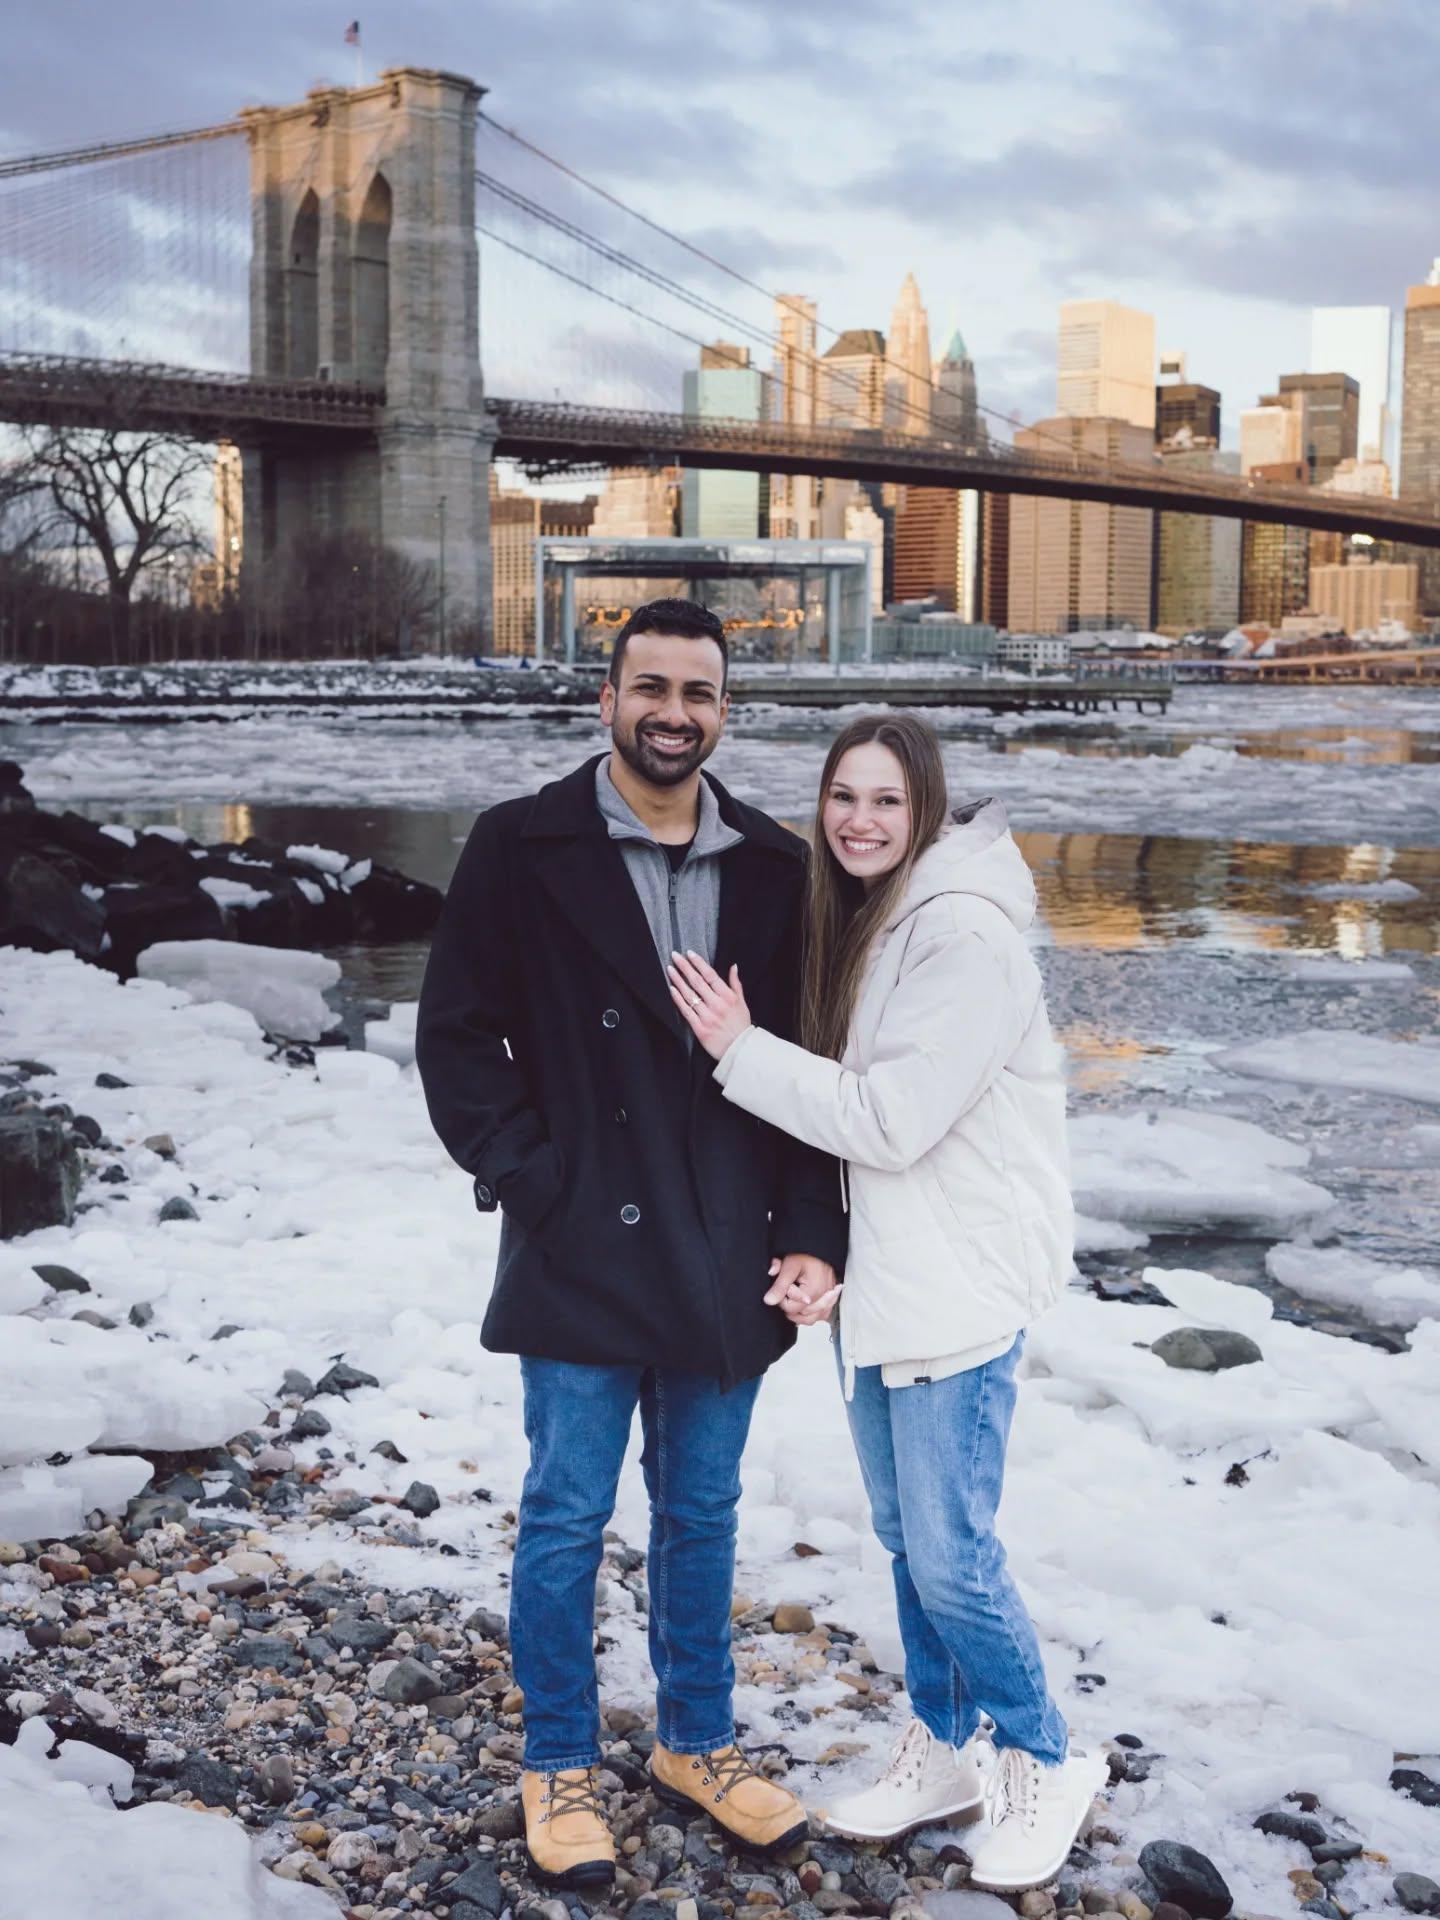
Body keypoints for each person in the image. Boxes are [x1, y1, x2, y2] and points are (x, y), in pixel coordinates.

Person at [415, 598, 846, 1891]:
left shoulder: (774, 865)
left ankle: (694, 1745)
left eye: (698, 692)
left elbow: (812, 1068)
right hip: (581, 1238)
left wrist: (815, 1234)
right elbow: (456, 1035)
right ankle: (557, 1760)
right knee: (561, 1513)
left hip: (725, 1242)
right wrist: (528, 1176)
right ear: (605, 700)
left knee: (702, 1514)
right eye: (649, 687)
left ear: (726, 711)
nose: (673, 712)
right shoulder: (519, 844)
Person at [667, 712, 1105, 1893]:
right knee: (913, 1544)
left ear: (925, 812)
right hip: (894, 1288)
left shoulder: (963, 939)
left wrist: (738, 1046)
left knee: (954, 1554)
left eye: (886, 802)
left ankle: (1043, 1755)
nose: (859, 820)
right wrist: (822, 1251)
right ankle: (944, 1749)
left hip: (956, 1289)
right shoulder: (882, 920)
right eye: (841, 797)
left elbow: (889, 1119)